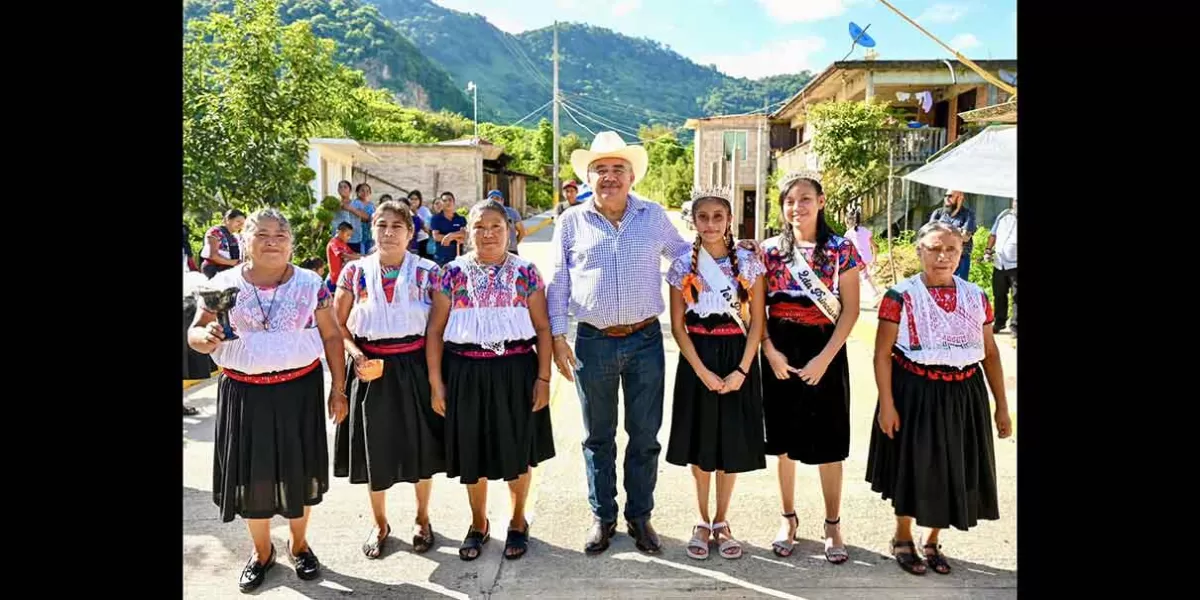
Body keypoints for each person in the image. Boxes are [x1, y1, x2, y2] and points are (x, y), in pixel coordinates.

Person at [549, 131, 735, 555]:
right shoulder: (570, 222)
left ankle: (640, 516)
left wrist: (737, 257)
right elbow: (558, 281)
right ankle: (603, 517)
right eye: (601, 170)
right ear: (589, 177)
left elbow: (688, 256)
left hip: (646, 341)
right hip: (593, 342)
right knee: (598, 436)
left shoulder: (652, 216)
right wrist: (559, 336)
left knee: (645, 435)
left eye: (618, 170)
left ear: (632, 176)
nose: (609, 177)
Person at [187, 208, 348, 592]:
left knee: (300, 472)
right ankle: (261, 552)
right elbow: (195, 331)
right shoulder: (223, 283)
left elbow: (331, 336)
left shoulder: (312, 284)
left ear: (291, 243)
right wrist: (204, 337)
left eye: (281, 234)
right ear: (245, 241)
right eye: (262, 233)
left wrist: (338, 388)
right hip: (244, 392)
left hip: (299, 390)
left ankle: (300, 544)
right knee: (252, 477)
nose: (272, 240)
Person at [866, 220, 1012, 576]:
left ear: (961, 253)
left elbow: (990, 353)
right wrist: (887, 404)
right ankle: (903, 536)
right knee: (913, 466)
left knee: (954, 466)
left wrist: (1002, 406)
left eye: (951, 249)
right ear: (920, 251)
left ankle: (932, 540)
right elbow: (882, 354)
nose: (942, 256)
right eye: (934, 248)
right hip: (915, 390)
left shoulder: (976, 296)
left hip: (964, 392)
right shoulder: (900, 296)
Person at [426, 201, 555, 562]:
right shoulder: (449, 274)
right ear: (468, 232)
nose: (488, 234)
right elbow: (435, 331)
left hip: (516, 371)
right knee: (472, 451)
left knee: (518, 449)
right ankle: (478, 522)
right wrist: (437, 384)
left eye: (496, 226)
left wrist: (543, 378)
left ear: (510, 230)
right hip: (464, 371)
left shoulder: (527, 272)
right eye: (480, 226)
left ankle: (517, 521)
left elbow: (543, 328)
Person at [333, 200, 446, 559]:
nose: (388, 232)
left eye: (397, 226)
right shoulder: (354, 273)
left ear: (411, 233)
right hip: (370, 369)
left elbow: (438, 328)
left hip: (415, 365)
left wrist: (435, 379)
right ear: (373, 230)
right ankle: (380, 523)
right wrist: (355, 355)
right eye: (381, 225)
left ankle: (422, 519)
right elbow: (338, 326)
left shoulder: (429, 272)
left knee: (421, 448)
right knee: (374, 450)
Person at [760, 171, 862, 564]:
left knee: (828, 439)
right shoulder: (769, 251)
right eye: (789, 201)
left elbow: (850, 310)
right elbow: (758, 307)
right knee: (784, 440)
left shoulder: (841, 249)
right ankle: (788, 517)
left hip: (825, 348)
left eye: (804, 199)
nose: (796, 207)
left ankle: (833, 523)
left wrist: (825, 358)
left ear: (821, 201)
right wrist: (770, 351)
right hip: (782, 348)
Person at [664, 188, 767, 561]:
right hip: (698, 359)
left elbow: (757, 323)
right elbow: (678, 327)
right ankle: (700, 518)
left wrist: (742, 369)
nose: (710, 224)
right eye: (702, 217)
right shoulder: (681, 265)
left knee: (730, 443)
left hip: (737, 357)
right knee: (701, 441)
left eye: (717, 217)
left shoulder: (748, 262)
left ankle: (723, 520)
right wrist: (702, 371)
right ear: (693, 220)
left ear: (729, 220)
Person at [983, 198, 1017, 340]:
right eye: (1015, 201)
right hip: (999, 263)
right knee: (999, 294)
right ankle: (999, 322)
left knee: (1016, 297)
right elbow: (993, 234)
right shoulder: (1004, 214)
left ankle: (1015, 326)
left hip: (1015, 265)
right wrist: (988, 250)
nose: (1016, 203)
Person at [928, 190, 976, 280]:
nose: (946, 199)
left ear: (960, 198)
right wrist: (958, 230)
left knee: (959, 286)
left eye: (950, 196)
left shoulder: (968, 214)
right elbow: (931, 233)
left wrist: (942, 229)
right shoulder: (938, 213)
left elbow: (965, 238)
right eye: (945, 196)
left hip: (960, 258)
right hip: (940, 256)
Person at [845, 211, 882, 302]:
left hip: (858, 259)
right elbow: (875, 246)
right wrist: (874, 259)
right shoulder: (865, 230)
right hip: (867, 258)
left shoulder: (848, 234)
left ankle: (876, 296)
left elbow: (847, 250)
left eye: (846, 221)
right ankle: (876, 294)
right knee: (863, 277)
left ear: (849, 221)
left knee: (863, 278)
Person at [200, 209, 246, 278]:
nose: (240, 225)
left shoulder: (236, 237)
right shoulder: (215, 231)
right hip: (214, 268)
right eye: (238, 221)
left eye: (242, 223)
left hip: (229, 269)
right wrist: (234, 262)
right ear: (227, 220)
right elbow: (213, 256)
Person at [430, 192, 468, 266]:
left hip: (458, 257)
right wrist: (456, 236)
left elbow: (464, 234)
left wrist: (450, 236)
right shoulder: (436, 218)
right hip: (441, 258)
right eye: (444, 200)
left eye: (450, 200)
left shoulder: (461, 219)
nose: (447, 202)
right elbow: (436, 237)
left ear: (454, 202)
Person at [327, 222, 363, 294]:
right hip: (335, 280)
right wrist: (362, 257)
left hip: (343, 278)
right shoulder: (333, 242)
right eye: (348, 235)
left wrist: (364, 256)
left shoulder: (343, 244)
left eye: (350, 235)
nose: (349, 238)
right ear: (339, 232)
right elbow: (343, 255)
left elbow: (352, 253)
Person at [487, 189, 526, 255]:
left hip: (510, 250)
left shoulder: (512, 212)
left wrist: (514, 243)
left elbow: (522, 232)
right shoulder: (485, 214)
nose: (494, 201)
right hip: (492, 251)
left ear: (502, 201)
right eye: (492, 198)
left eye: (497, 198)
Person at [409, 190, 435, 260]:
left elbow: (427, 227)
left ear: (420, 200)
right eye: (411, 199)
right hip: (410, 242)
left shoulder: (424, 210)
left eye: (416, 199)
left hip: (423, 240)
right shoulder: (407, 210)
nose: (413, 201)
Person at [356, 183, 377, 254]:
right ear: (357, 192)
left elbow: (374, 218)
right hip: (357, 235)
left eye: (367, 191)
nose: (365, 193)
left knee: (369, 254)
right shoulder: (354, 204)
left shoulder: (372, 205)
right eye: (362, 190)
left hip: (369, 235)